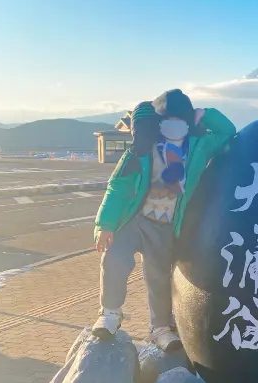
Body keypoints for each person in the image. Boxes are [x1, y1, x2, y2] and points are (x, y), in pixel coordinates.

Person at [92, 90, 236, 351]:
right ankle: (111, 313)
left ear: (189, 121)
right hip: (134, 219)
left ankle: (160, 327)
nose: (173, 125)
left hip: (166, 226)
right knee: (114, 259)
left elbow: (227, 131)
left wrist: (205, 114)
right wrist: (105, 225)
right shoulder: (142, 150)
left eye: (180, 119)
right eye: (167, 120)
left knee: (158, 276)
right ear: (157, 123)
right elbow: (117, 187)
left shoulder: (198, 147)